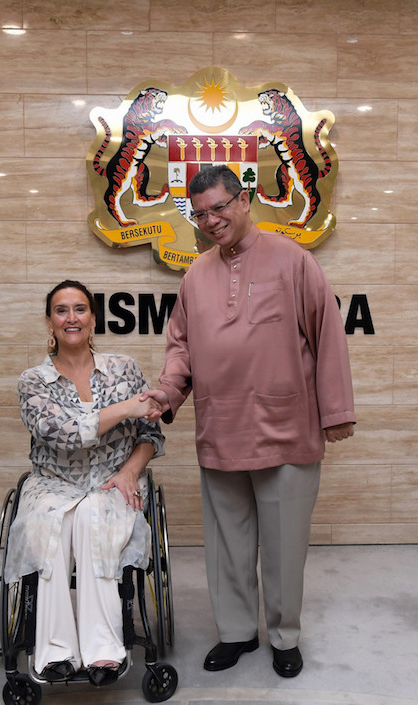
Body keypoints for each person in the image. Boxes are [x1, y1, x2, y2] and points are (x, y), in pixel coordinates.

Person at [143, 165, 356, 678]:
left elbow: (328, 336)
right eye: (200, 214)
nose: (211, 220)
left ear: (244, 201)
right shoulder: (196, 275)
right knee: (227, 544)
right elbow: (181, 348)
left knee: (284, 546)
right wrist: (168, 392)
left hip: (287, 428)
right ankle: (237, 632)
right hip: (220, 430)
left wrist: (336, 412)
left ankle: (284, 636)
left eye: (219, 207)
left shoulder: (292, 260)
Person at [6, 280, 164, 688]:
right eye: (61, 310)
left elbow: (152, 435)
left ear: (93, 318)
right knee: (52, 526)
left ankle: (104, 651)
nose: (71, 318)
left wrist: (130, 471)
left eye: (80, 309)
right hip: (53, 483)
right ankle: (55, 650)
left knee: (95, 516)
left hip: (113, 480)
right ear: (49, 321)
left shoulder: (124, 368)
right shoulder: (33, 381)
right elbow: (60, 434)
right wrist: (127, 407)